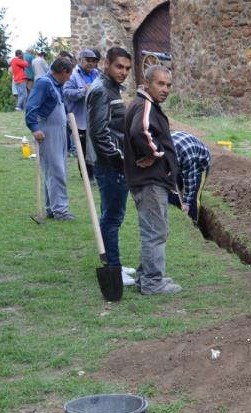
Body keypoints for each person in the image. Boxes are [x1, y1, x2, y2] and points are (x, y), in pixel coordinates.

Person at [123, 65, 181, 295]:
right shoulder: (145, 105)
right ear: (147, 83)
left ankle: (146, 275)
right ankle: (153, 283)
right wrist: (154, 153)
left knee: (155, 230)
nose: (166, 89)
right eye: (160, 84)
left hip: (150, 180)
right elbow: (141, 131)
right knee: (155, 232)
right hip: (149, 181)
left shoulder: (145, 104)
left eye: (168, 85)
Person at [87, 47, 137, 286]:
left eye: (127, 68)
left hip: (114, 164)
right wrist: (120, 161)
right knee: (112, 218)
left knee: (112, 215)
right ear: (106, 63)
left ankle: (114, 262)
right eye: (119, 66)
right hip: (110, 165)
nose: (124, 72)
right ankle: (113, 267)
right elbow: (100, 134)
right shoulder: (101, 91)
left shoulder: (111, 88)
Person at [25, 58, 75, 221]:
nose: (69, 78)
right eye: (68, 74)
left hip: (59, 131)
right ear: (62, 72)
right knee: (56, 171)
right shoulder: (44, 83)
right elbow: (31, 106)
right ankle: (61, 210)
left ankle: (52, 209)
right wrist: (35, 128)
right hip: (48, 131)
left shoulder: (56, 84)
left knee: (56, 170)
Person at [64, 49, 101, 180]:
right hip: (79, 119)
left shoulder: (97, 74)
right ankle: (87, 176)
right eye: (88, 60)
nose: (91, 63)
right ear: (80, 60)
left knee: (96, 147)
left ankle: (97, 173)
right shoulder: (73, 75)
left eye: (93, 61)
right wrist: (83, 91)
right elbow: (67, 92)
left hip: (95, 118)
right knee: (83, 149)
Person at [167, 131, 211, 225]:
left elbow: (190, 180)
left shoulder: (187, 157)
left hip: (199, 164)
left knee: (193, 197)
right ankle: (179, 212)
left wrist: (186, 203)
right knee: (169, 191)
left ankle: (193, 223)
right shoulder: (162, 149)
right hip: (179, 157)